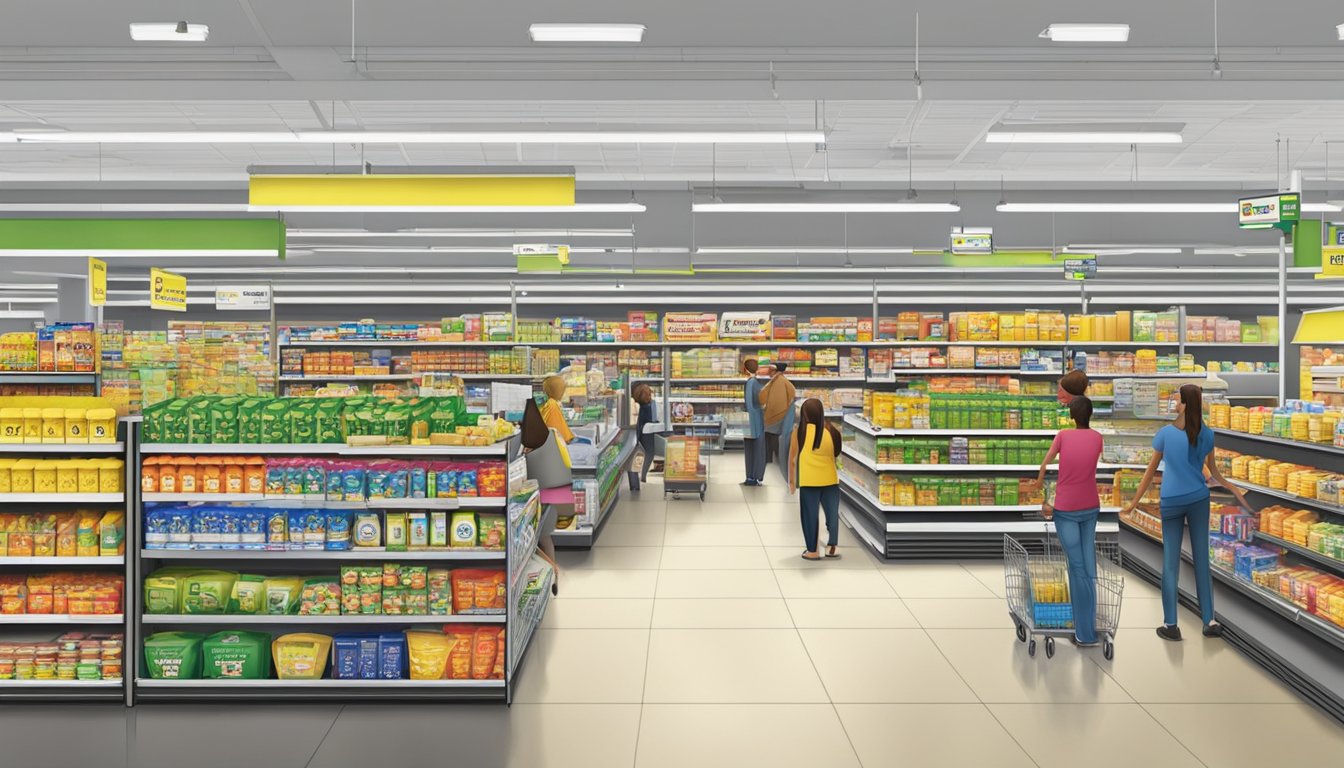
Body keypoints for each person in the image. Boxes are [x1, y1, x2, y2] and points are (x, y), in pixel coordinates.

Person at [1123, 383, 1250, 641]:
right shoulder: (1207, 434)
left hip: (1171, 500)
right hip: (1198, 499)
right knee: (1202, 560)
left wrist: (1134, 502)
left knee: (1171, 563)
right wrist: (1234, 490)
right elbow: (1214, 474)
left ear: (1185, 404)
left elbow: (1150, 472)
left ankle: (1171, 625)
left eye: (1178, 401)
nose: (1175, 404)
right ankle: (1209, 621)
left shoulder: (1166, 434)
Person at [1030, 396, 1103, 647]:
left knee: (1077, 566)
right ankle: (1087, 627)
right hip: (1091, 507)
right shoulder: (1097, 438)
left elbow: (1047, 462)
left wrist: (1039, 482)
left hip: (1066, 509)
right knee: (1087, 565)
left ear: (1072, 415)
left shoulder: (1063, 435)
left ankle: (1084, 633)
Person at [788, 398, 843, 561]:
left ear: (804, 414)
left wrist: (792, 482)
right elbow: (836, 453)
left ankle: (812, 551)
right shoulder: (832, 431)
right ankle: (832, 548)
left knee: (810, 516)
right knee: (832, 515)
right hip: (831, 480)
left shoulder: (799, 432)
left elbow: (792, 460)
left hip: (809, 481)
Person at [760, 362, 796, 466]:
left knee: (772, 436)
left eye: (771, 371)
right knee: (773, 436)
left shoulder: (778, 381)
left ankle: (772, 457)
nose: (769, 373)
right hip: (777, 413)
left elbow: (763, 395)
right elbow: (792, 394)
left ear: (776, 371)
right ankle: (774, 458)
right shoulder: (781, 381)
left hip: (775, 414)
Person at [741, 358, 766, 486]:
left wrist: (749, 420)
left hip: (751, 420)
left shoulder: (750, 383)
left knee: (751, 448)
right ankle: (754, 476)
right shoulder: (757, 383)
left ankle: (752, 477)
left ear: (745, 369)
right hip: (758, 419)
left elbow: (750, 404)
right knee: (758, 449)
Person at [631, 383, 657, 486]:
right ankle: (643, 476)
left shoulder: (638, 405)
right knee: (650, 453)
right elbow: (653, 420)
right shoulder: (650, 405)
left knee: (639, 453)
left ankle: (639, 475)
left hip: (639, 431)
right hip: (648, 432)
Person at [539, 374, 575, 443]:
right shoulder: (552, 405)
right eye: (562, 390)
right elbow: (557, 434)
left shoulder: (551, 403)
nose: (564, 393)